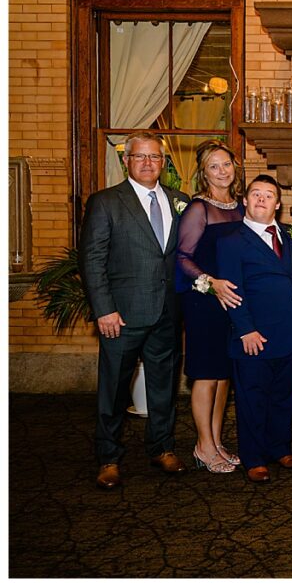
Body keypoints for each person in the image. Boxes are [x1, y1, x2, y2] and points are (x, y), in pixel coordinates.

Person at [79, 131, 191, 489]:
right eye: (139, 156)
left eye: (154, 157)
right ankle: (108, 457)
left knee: (164, 386)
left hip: (167, 312)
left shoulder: (180, 201)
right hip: (121, 315)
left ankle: (161, 447)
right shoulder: (106, 202)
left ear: (163, 162)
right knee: (113, 389)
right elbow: (92, 260)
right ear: (126, 161)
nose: (147, 163)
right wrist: (104, 309)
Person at [217, 175, 292, 483]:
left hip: (291, 333)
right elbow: (231, 289)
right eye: (256, 194)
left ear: (277, 205)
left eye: (269, 195)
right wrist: (245, 330)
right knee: (252, 398)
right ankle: (254, 458)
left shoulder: (287, 236)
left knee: (284, 395)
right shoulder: (231, 241)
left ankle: (279, 447)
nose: (261, 199)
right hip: (254, 336)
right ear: (245, 200)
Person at [175, 140, 245, 474]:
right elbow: (183, 257)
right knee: (206, 374)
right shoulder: (198, 209)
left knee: (224, 374)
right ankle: (203, 446)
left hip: (233, 300)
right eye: (214, 166)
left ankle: (217, 442)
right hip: (204, 300)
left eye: (226, 164)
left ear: (235, 166)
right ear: (204, 173)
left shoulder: (242, 206)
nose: (222, 171)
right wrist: (211, 282)